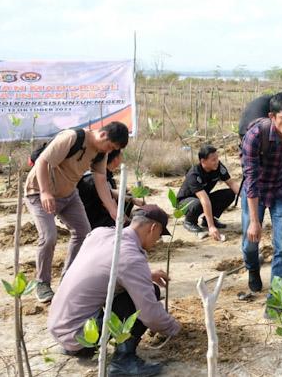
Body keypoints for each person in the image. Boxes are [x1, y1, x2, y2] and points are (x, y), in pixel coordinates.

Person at [48, 205, 180, 376]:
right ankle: (123, 362)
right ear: (153, 228)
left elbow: (104, 268)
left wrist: (145, 274)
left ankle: (78, 348)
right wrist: (174, 328)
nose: (157, 241)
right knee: (146, 294)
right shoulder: (130, 256)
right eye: (159, 235)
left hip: (60, 327)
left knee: (128, 291)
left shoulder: (100, 233)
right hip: (81, 336)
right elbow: (150, 315)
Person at [25, 121, 129, 303]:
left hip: (69, 195)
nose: (109, 151)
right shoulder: (71, 138)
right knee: (49, 236)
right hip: (39, 192)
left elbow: (101, 181)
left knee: (83, 233)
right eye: (110, 146)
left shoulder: (100, 153)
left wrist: (114, 210)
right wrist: (45, 192)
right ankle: (42, 283)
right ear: (103, 135)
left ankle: (68, 279)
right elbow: (42, 162)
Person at [241, 92, 282, 301]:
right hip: (256, 192)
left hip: (281, 190)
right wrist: (254, 221)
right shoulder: (255, 136)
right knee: (250, 243)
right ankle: (253, 268)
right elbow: (250, 178)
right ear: (272, 116)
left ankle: (276, 297)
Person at [178, 145, 239, 240]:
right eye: (213, 160)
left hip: (203, 198)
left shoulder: (218, 166)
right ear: (203, 161)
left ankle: (207, 220)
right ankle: (189, 221)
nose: (217, 161)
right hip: (185, 202)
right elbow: (204, 199)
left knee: (230, 193)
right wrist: (211, 227)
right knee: (199, 203)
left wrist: (247, 199)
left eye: (217, 158)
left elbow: (231, 183)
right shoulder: (194, 174)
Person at [77, 149, 144, 229]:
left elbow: (111, 194)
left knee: (127, 198)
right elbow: (108, 202)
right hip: (94, 221)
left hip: (96, 215)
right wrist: (128, 223)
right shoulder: (97, 179)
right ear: (116, 159)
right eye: (121, 155)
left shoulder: (104, 176)